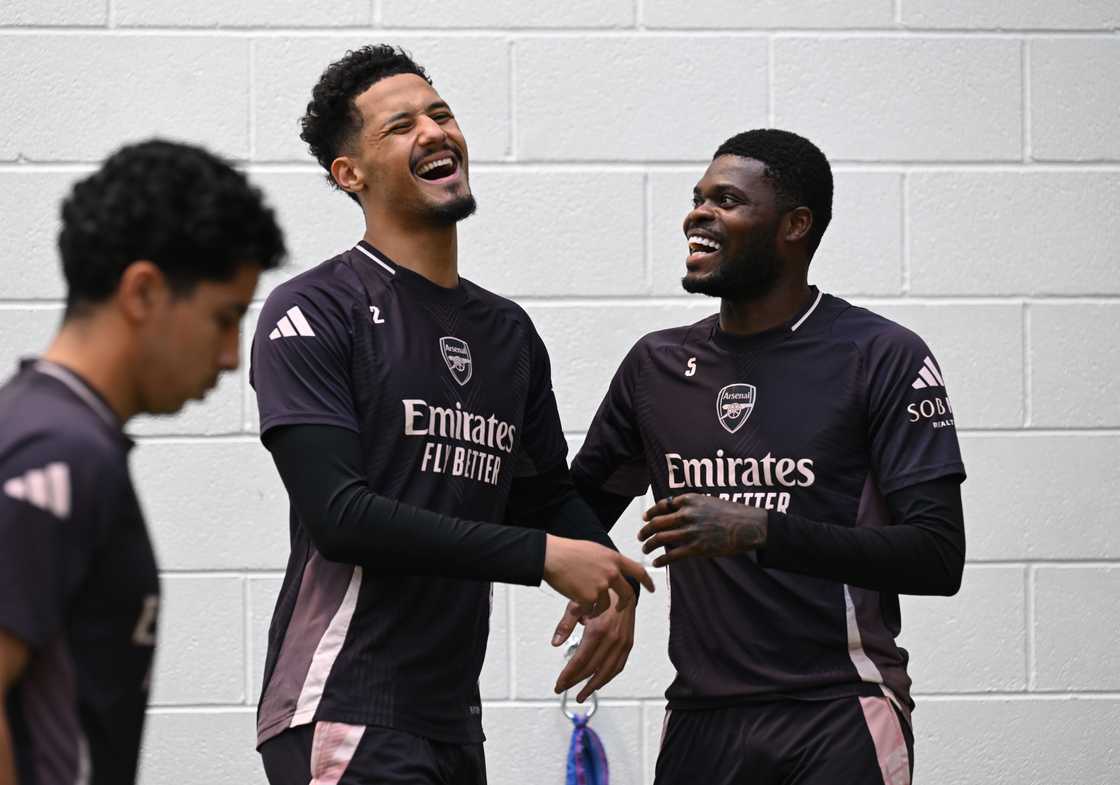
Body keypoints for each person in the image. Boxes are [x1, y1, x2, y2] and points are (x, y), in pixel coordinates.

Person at [251, 45, 652, 785]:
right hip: (345, 700)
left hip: (451, 721)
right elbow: (340, 516)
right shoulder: (313, 309)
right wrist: (541, 557)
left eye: (441, 114)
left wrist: (610, 580)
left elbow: (541, 493)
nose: (434, 132)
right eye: (400, 126)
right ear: (351, 174)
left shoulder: (508, 333)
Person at [571, 129, 967, 785]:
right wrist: (605, 580)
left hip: (838, 709)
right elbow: (576, 508)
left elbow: (936, 554)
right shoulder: (655, 366)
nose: (697, 214)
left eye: (725, 200)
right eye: (697, 198)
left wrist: (761, 529)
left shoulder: (881, 355)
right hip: (700, 718)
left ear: (795, 225)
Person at [0, 140, 286, 785]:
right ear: (144, 292)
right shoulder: (58, 452)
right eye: (224, 318)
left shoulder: (44, 429)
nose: (230, 357)